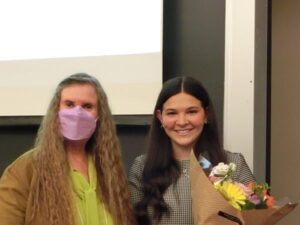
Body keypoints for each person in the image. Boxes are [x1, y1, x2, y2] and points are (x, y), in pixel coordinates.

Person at [0, 73, 136, 225]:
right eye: (69, 104)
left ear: (100, 115)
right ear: (56, 111)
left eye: (87, 106)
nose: (77, 113)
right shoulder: (25, 170)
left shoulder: (110, 170)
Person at [128, 76, 255, 225]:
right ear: (160, 117)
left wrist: (247, 201)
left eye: (192, 112)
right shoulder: (141, 167)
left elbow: (258, 214)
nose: (182, 122)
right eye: (172, 113)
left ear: (206, 115)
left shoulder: (234, 163)